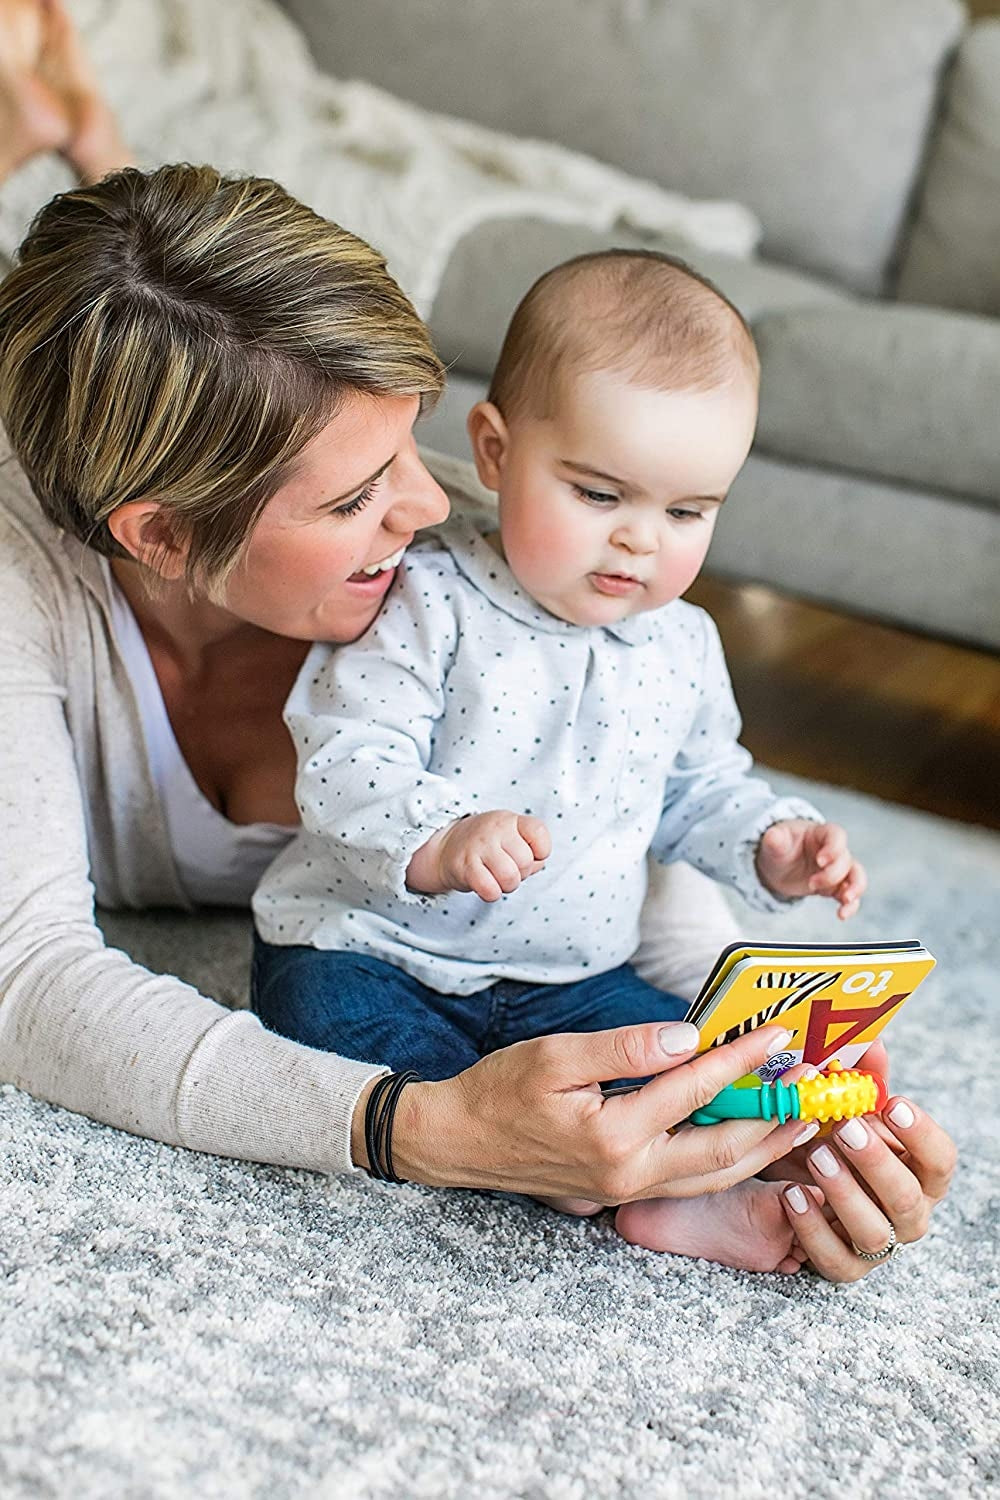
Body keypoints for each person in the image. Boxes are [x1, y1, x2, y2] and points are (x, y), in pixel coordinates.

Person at [0, 0, 955, 1282]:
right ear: (161, 538)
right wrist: (427, 1129)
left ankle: (69, 132)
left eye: (413, 440)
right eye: (351, 498)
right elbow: (31, 986)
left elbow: (621, 805)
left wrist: (746, 1076)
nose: (429, 504)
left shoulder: (501, 535)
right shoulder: (29, 599)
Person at [250, 250, 870, 1268]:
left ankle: (666, 1197)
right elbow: (346, 755)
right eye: (597, 493)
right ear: (494, 451)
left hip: (572, 978)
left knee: (692, 1064)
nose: (638, 544)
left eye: (685, 513)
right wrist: (442, 836)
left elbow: (699, 791)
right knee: (332, 1036)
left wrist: (773, 844)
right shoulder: (425, 595)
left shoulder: (681, 646)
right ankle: (522, 1154)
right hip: (379, 950)